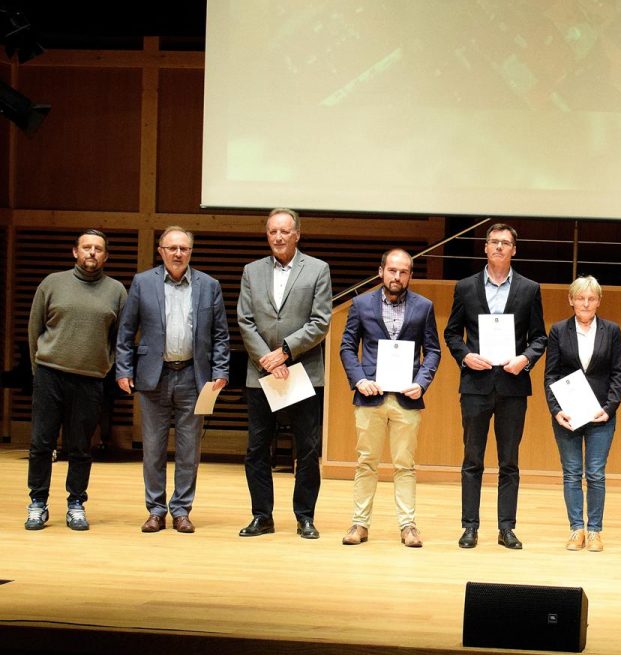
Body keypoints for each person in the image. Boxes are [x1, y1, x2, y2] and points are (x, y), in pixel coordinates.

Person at [115, 227, 231, 534]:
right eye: (172, 248)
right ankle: (155, 510)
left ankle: (181, 510)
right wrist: (124, 370)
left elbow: (220, 335)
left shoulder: (209, 285)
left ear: (191, 252)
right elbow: (126, 331)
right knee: (153, 448)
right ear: (161, 251)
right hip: (154, 376)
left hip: (194, 377)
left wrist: (220, 371)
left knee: (189, 450)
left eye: (184, 248)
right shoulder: (142, 282)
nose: (178, 253)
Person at [444, 222, 547, 550]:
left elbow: (539, 337)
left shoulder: (529, 289)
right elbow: (451, 333)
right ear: (486, 247)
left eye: (505, 242)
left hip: (512, 386)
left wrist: (525, 359)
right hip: (475, 385)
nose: (499, 246)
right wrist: (465, 356)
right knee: (472, 459)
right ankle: (469, 526)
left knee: (509, 462)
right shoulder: (465, 287)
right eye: (494, 242)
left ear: (514, 250)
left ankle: (506, 528)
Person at [236, 208, 332, 539]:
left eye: (285, 231)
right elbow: (245, 320)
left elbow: (320, 321)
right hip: (261, 371)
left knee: (306, 448)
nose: (278, 237)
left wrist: (286, 352)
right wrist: (268, 359)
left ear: (297, 234)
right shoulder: (251, 271)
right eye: (273, 231)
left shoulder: (318, 269)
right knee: (257, 448)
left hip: (303, 370)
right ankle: (262, 516)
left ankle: (305, 517)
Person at [24, 229, 127, 531]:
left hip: (90, 379)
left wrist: (104, 366)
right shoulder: (52, 283)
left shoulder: (116, 291)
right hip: (50, 374)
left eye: (98, 249)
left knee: (81, 446)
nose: (92, 252)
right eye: (86, 247)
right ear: (75, 252)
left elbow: (120, 338)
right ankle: (38, 503)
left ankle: (76, 503)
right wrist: (38, 370)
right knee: (41, 443)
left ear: (106, 256)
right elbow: (34, 330)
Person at [338, 248, 440, 547]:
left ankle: (408, 526)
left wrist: (421, 383)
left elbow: (433, 350)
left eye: (404, 272)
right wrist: (359, 380)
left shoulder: (424, 307)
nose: (397, 276)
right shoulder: (360, 304)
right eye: (392, 270)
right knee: (366, 462)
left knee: (405, 465)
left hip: (406, 398)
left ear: (410, 275)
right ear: (381, 271)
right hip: (370, 396)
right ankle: (359, 524)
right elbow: (347, 347)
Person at [544, 276, 621, 552]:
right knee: (571, 473)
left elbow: (618, 374)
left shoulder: (611, 331)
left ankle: (594, 531)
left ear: (599, 301)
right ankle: (576, 529)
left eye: (591, 299)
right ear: (571, 300)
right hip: (568, 416)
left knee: (596, 474)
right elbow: (551, 374)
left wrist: (609, 408)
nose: (586, 303)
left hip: (600, 415)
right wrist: (556, 410)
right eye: (580, 298)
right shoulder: (558, 330)